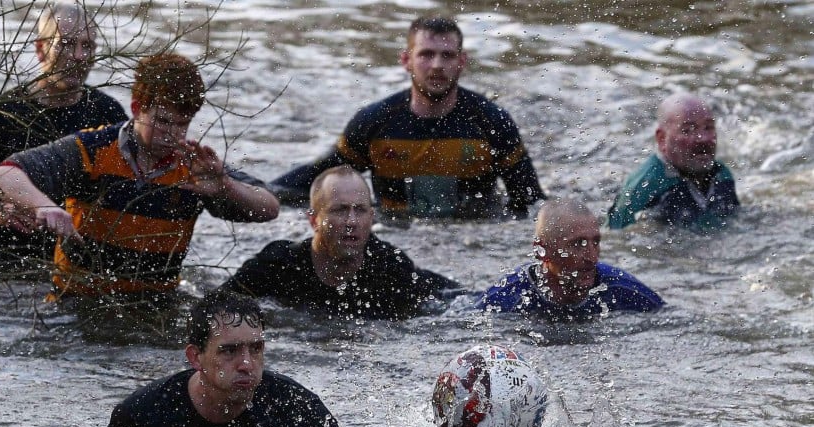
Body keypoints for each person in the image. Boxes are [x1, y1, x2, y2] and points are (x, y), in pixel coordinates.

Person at [0, 53, 279, 298]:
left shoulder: (195, 168)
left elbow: (269, 207)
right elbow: (3, 175)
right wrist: (45, 206)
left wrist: (225, 187)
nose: (173, 134)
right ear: (137, 108)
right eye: (163, 121)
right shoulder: (91, 150)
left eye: (183, 124)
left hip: (156, 306)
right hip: (76, 302)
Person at [271, 16, 545, 225]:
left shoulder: (492, 123)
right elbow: (317, 181)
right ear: (406, 60)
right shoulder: (374, 123)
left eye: (447, 55)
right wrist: (258, 192)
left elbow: (530, 204)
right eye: (426, 54)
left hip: (472, 233)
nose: (437, 65)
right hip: (398, 230)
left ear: (462, 61)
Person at [0, 3, 128, 270]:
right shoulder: (1, 115)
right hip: (11, 262)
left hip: (82, 261)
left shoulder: (107, 112)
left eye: (87, 46)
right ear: (40, 49)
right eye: (66, 44)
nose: (79, 56)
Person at [87, 291, 356, 427]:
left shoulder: (297, 409)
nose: (247, 364)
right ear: (195, 357)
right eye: (229, 351)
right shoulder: (142, 417)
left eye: (256, 348)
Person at [218, 166, 463, 320]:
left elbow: (447, 305)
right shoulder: (279, 264)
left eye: (360, 210)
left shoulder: (389, 267)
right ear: (314, 220)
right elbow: (216, 308)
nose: (351, 221)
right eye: (339, 210)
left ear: (372, 217)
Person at [471, 199, 663, 321]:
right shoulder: (503, 300)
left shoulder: (623, 290)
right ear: (542, 250)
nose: (591, 256)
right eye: (577, 244)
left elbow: (669, 318)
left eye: (595, 242)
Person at [607, 93, 739, 231]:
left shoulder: (722, 176)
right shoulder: (645, 190)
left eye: (708, 127)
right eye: (688, 130)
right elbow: (615, 239)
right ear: (662, 139)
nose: (703, 138)